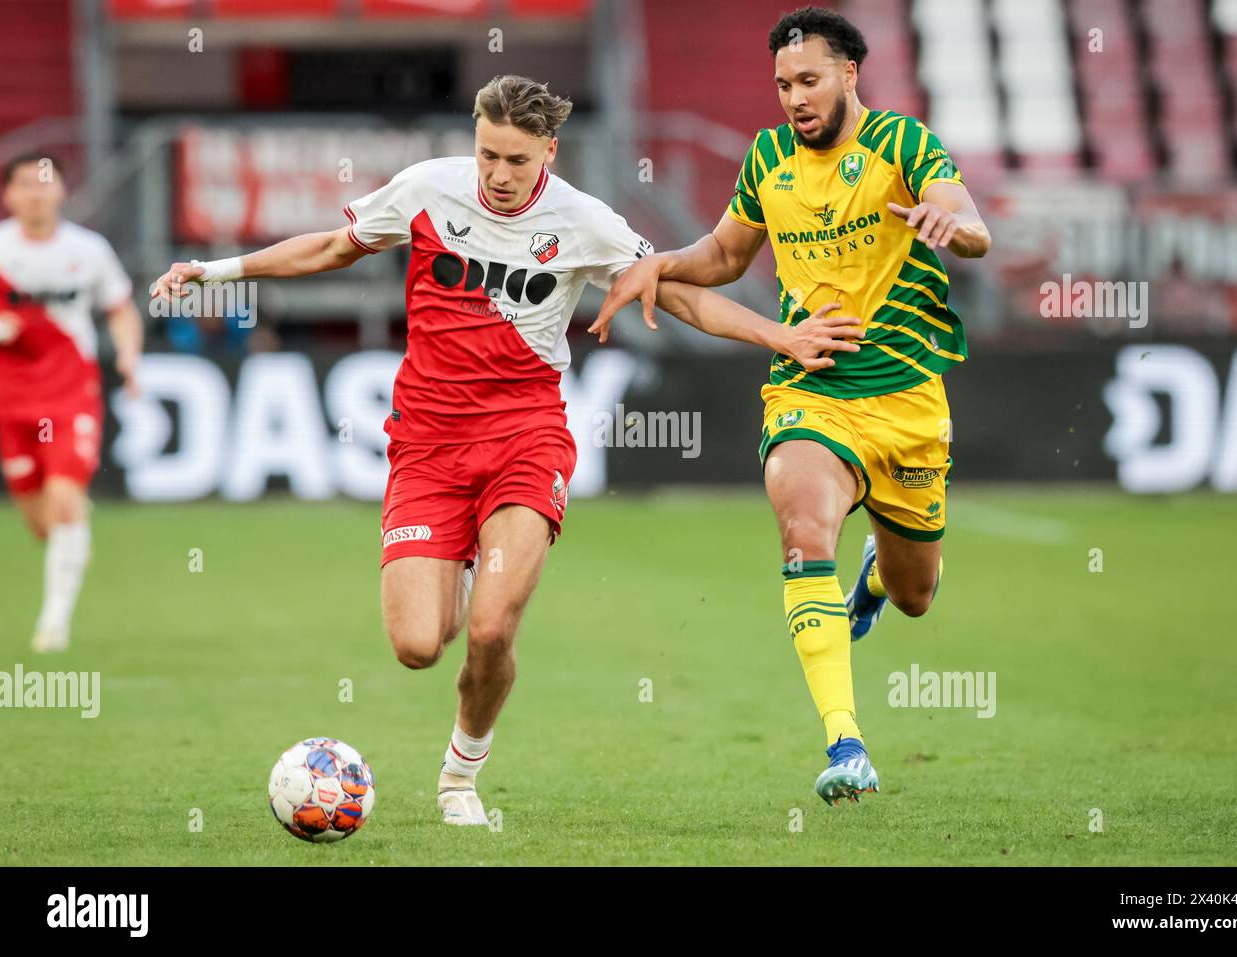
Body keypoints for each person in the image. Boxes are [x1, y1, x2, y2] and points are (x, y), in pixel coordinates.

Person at [153, 74, 862, 825]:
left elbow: (677, 290)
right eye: (487, 153)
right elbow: (332, 246)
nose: (496, 173)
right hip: (426, 443)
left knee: (491, 629)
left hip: (527, 438)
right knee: (419, 645)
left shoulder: (583, 221)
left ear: (549, 152)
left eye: (516, 160)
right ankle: (456, 564)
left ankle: (459, 777)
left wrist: (778, 335)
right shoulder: (428, 188)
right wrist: (216, 272)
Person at [593, 8, 992, 805]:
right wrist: (655, 262)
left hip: (909, 399)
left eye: (809, 80)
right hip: (811, 388)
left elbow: (972, 226)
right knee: (803, 524)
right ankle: (846, 743)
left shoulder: (903, 145)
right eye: (783, 85)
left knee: (916, 594)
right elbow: (722, 257)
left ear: (850, 74)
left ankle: (878, 579)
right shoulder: (768, 157)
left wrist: (956, 222)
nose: (794, 99)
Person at [0, 152, 143, 653]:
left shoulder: (88, 249)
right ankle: (72, 536)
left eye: (46, 183)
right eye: (25, 184)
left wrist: (128, 358)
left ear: (61, 189)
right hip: (9, 397)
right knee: (40, 522)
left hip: (70, 391)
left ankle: (53, 625)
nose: (36, 193)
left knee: (63, 499)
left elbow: (120, 309)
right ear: (8, 194)